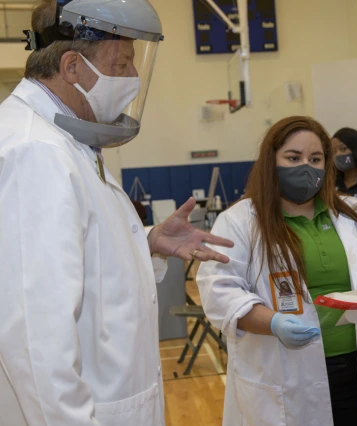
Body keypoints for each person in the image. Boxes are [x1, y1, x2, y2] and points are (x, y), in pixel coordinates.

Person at [0, 1, 232, 425]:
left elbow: (75, 257)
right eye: (122, 64)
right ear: (72, 66)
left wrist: (146, 241)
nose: (133, 78)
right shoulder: (35, 152)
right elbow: (35, 340)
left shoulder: (66, 141)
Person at [196, 116, 357, 426]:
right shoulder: (240, 221)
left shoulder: (355, 215)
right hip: (286, 380)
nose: (306, 166)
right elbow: (220, 292)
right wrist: (274, 323)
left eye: (315, 159)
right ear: (271, 161)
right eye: (293, 158)